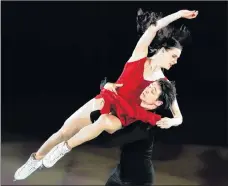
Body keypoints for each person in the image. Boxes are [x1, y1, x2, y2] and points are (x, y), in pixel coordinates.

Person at [14, 9, 198, 181]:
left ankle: (64, 149)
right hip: (105, 101)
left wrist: (172, 121)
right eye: (174, 56)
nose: (175, 62)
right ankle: (35, 160)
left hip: (121, 117)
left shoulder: (162, 83)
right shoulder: (139, 56)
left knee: (100, 124)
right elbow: (153, 28)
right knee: (64, 131)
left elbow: (179, 116)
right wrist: (180, 13)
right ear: (162, 50)